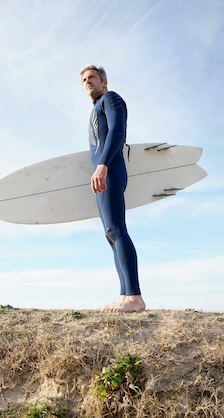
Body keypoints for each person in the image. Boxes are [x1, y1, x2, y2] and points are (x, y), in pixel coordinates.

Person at [79, 65, 146, 313]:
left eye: (92, 78)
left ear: (104, 82)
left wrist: (103, 165)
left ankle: (135, 297)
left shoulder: (111, 98)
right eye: (84, 80)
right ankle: (125, 295)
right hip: (103, 174)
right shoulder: (96, 108)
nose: (87, 82)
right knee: (110, 233)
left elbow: (117, 131)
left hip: (110, 171)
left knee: (117, 229)